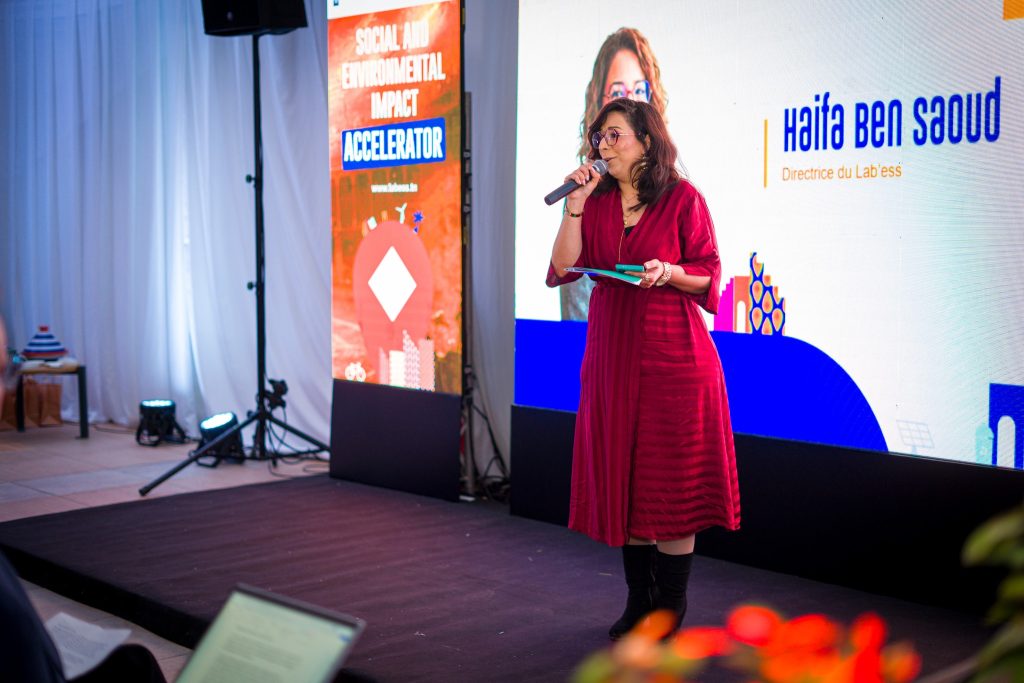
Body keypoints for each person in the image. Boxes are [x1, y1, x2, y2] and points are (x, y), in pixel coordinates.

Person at [547, 99, 740, 640]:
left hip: (673, 357)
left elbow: (709, 277)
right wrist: (574, 206)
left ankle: (670, 604)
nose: (603, 146)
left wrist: (669, 272)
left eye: (614, 135)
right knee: (626, 479)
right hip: (612, 352)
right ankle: (638, 600)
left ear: (646, 141)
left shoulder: (683, 197)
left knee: (670, 483)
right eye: (598, 137)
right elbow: (564, 266)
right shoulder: (596, 200)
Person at [561, 27, 669, 322]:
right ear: (599, 104)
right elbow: (571, 294)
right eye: (619, 93)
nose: (631, 105)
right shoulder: (585, 194)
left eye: (639, 91)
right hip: (603, 341)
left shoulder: (676, 192)